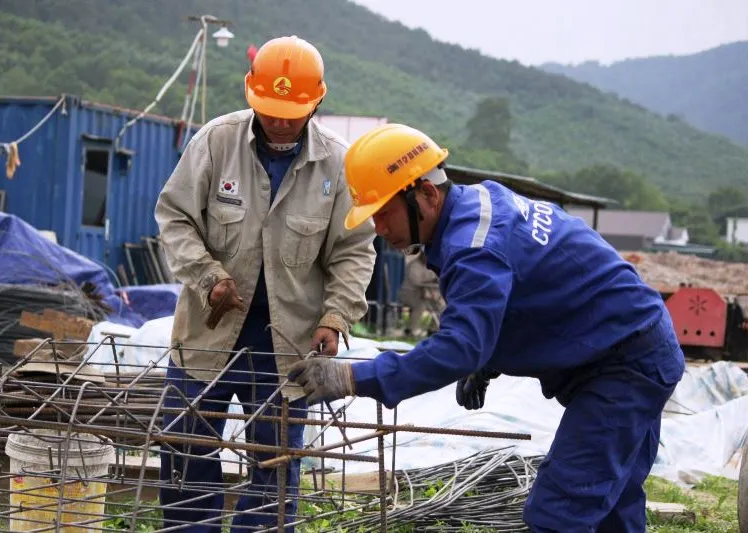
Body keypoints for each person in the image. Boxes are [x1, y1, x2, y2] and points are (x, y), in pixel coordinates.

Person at [287, 123, 685, 532]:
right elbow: (529, 289)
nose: (380, 229)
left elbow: (460, 346)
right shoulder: (480, 202)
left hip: (624, 364)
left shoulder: (474, 247)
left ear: (425, 193)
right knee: (613, 508)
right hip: (634, 342)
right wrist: (488, 358)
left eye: (384, 213)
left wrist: (354, 376)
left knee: (558, 512)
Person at [154, 35, 376, 532]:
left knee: (272, 474)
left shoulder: (337, 165)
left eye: (291, 112)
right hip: (206, 337)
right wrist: (209, 277)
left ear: (317, 100)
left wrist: (335, 318)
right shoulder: (216, 141)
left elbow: (354, 251)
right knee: (186, 455)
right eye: (270, 110)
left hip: (286, 350)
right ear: (251, 94)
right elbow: (175, 218)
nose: (279, 121)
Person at [397, 247, 444, 337]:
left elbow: (436, 278)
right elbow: (416, 282)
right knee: (419, 305)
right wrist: (431, 281)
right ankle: (412, 330)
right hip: (409, 293)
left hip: (425, 294)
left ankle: (434, 330)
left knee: (441, 305)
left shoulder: (431, 265)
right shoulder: (414, 265)